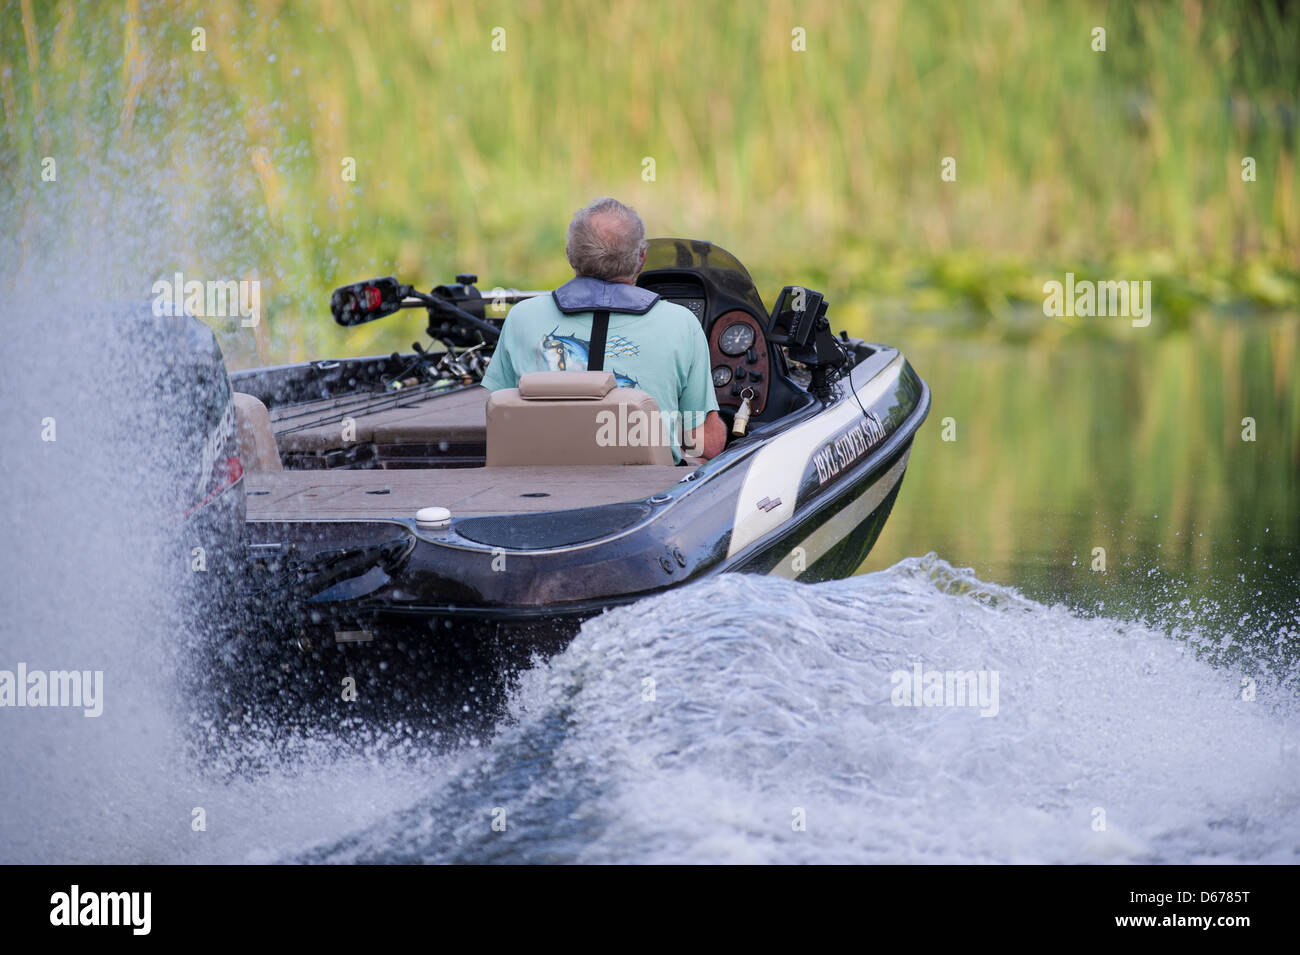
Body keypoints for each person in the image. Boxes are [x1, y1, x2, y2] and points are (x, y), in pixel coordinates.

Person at [480, 197, 725, 462]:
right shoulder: (682, 323)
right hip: (647, 493)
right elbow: (706, 445)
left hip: (537, 487)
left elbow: (500, 419)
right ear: (641, 258)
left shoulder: (521, 317)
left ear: (569, 255)